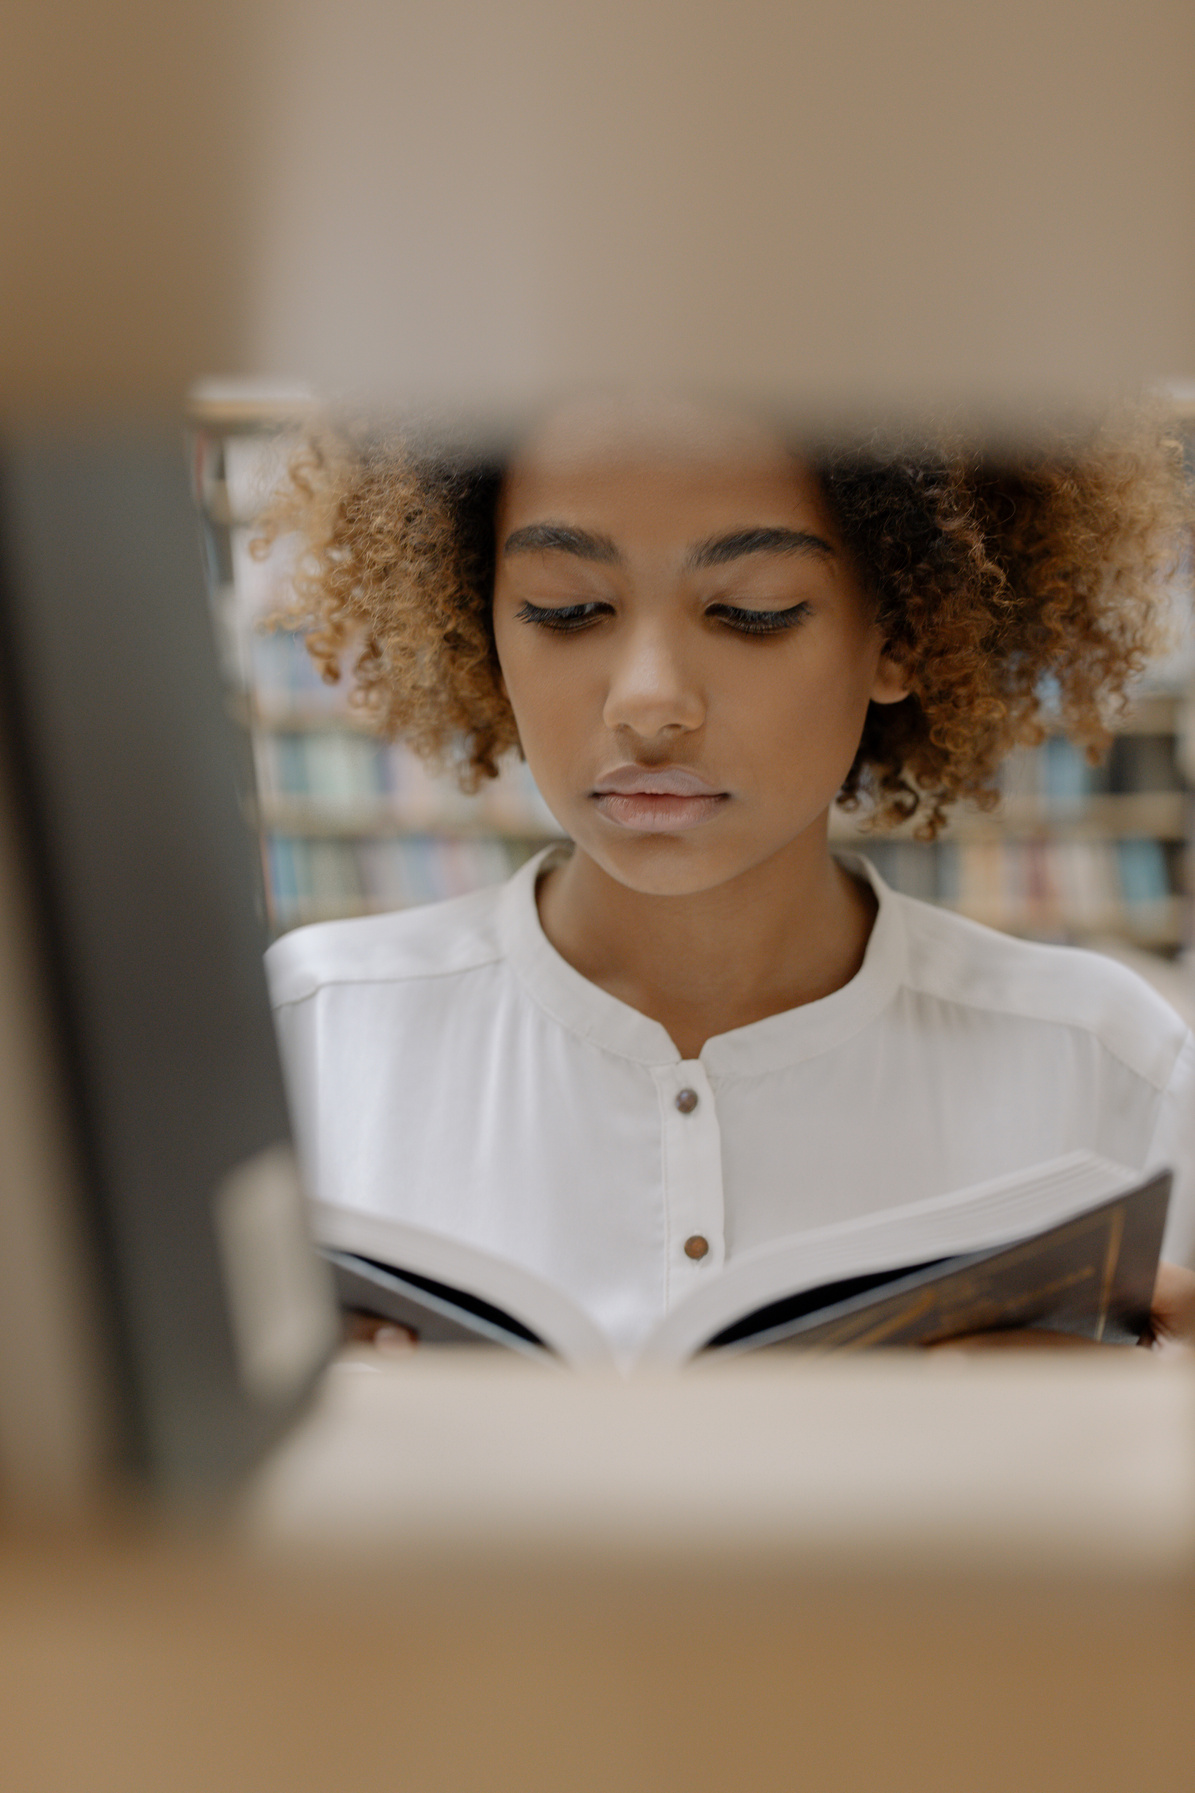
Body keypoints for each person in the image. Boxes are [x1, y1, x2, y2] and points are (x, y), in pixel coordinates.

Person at [262, 395, 1195, 1354]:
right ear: (481, 620)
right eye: (565, 608)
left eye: (751, 612)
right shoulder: (308, 1039)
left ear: (901, 634)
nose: (648, 703)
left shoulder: (1110, 1067)